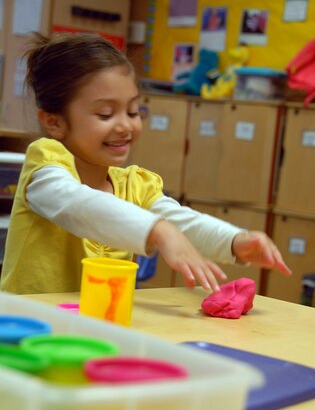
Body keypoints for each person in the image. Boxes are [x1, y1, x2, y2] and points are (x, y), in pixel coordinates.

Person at [0, 33, 291, 295]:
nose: (126, 126)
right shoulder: (45, 169)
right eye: (105, 114)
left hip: (91, 331)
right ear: (54, 121)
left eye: (133, 111)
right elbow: (78, 204)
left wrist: (235, 240)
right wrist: (158, 231)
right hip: (26, 334)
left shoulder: (133, 185)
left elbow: (179, 221)